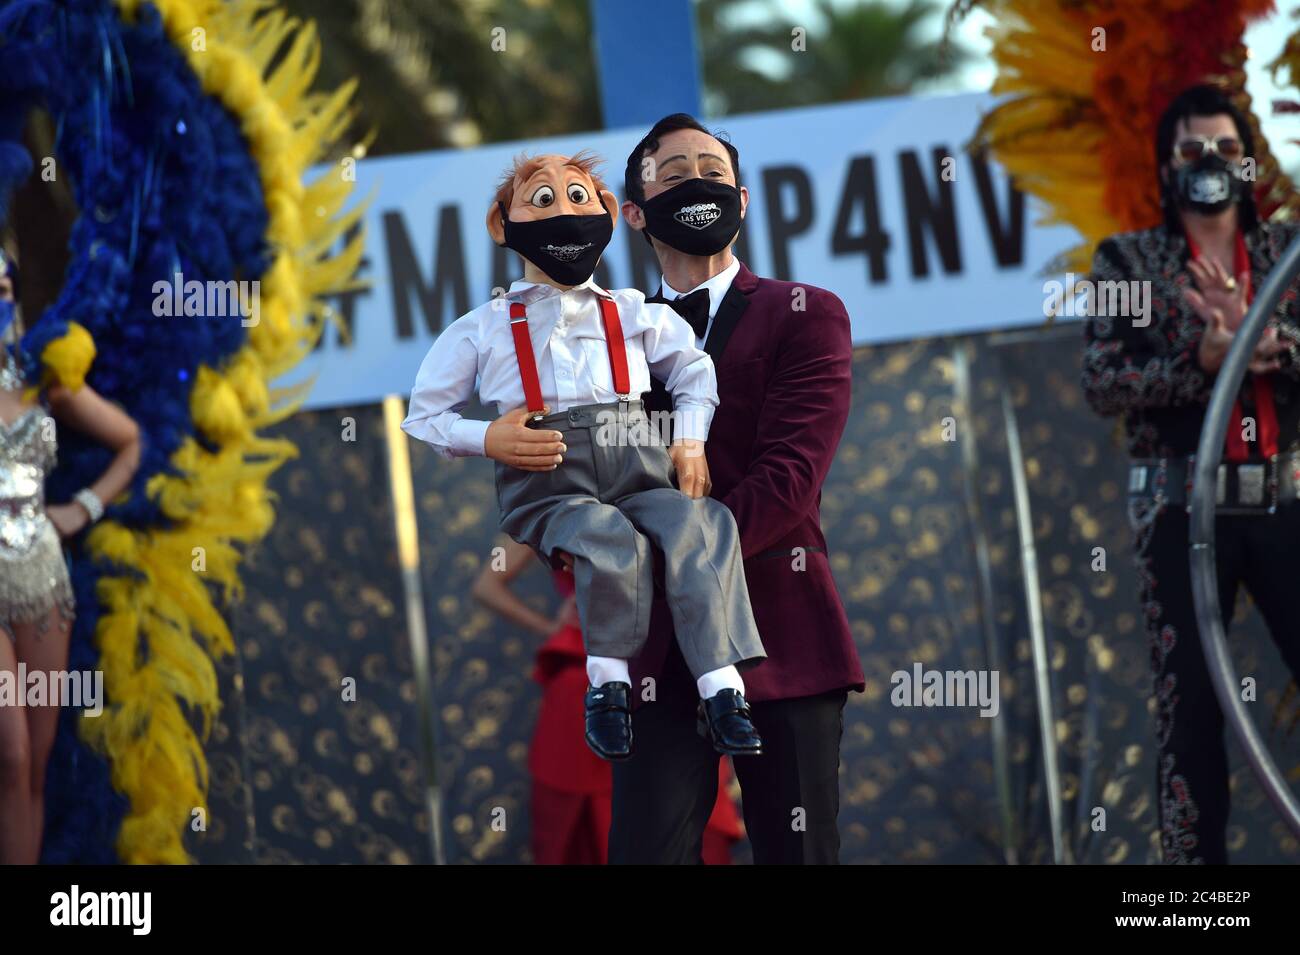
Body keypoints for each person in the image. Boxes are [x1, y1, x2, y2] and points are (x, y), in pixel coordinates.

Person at [402, 151, 767, 763]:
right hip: (551, 479)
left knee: (701, 525)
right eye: (543, 199)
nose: (566, 213)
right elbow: (424, 415)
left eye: (580, 197)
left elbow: (694, 371)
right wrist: (487, 437)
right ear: (502, 223)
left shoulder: (631, 313)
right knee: (607, 538)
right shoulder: (484, 326)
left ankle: (723, 688)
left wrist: (689, 437)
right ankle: (608, 686)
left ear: (607, 215)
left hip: (638, 463)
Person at [606, 114, 865, 864]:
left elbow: (789, 480)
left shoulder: (807, 314)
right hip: (655, 655)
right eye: (676, 171)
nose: (699, 183)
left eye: (714, 173)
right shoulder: (608, 341)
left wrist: (669, 561)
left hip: (780, 630)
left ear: (744, 201)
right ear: (634, 210)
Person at [1081, 84, 1300, 864]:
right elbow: (1103, 381)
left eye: (1226, 149)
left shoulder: (1286, 254)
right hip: (1181, 515)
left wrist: (1273, 345)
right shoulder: (1125, 259)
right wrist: (1203, 360)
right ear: (1166, 166)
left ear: (1249, 162)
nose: (1209, 163)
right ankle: (1196, 899)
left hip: (1284, 503)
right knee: (1191, 714)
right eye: (1191, 151)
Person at [471, 536, 744, 864]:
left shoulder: (675, 488)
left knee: (681, 820)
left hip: (670, 672)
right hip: (589, 681)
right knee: (591, 829)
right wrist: (552, 628)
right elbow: (487, 585)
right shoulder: (552, 495)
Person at [0, 250, 141, 863]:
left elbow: (131, 441)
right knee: (10, 751)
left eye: (4, 284)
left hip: (42, 582)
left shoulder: (43, 380)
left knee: (35, 764)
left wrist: (79, 508)